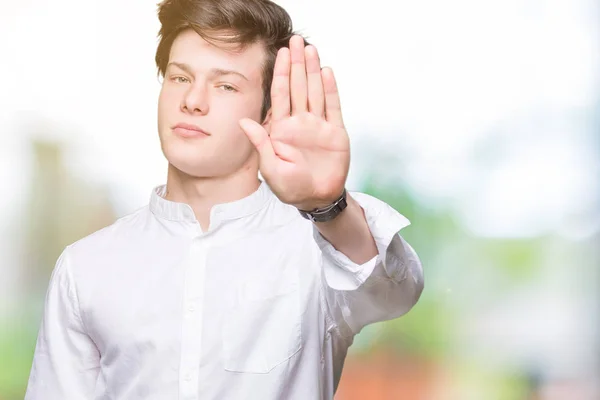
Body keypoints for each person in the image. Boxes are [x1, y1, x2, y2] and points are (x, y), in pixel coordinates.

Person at [24, 0, 424, 399]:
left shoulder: (316, 249)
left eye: (226, 85)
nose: (193, 101)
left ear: (269, 112)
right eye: (180, 78)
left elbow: (394, 292)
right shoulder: (86, 268)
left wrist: (329, 205)